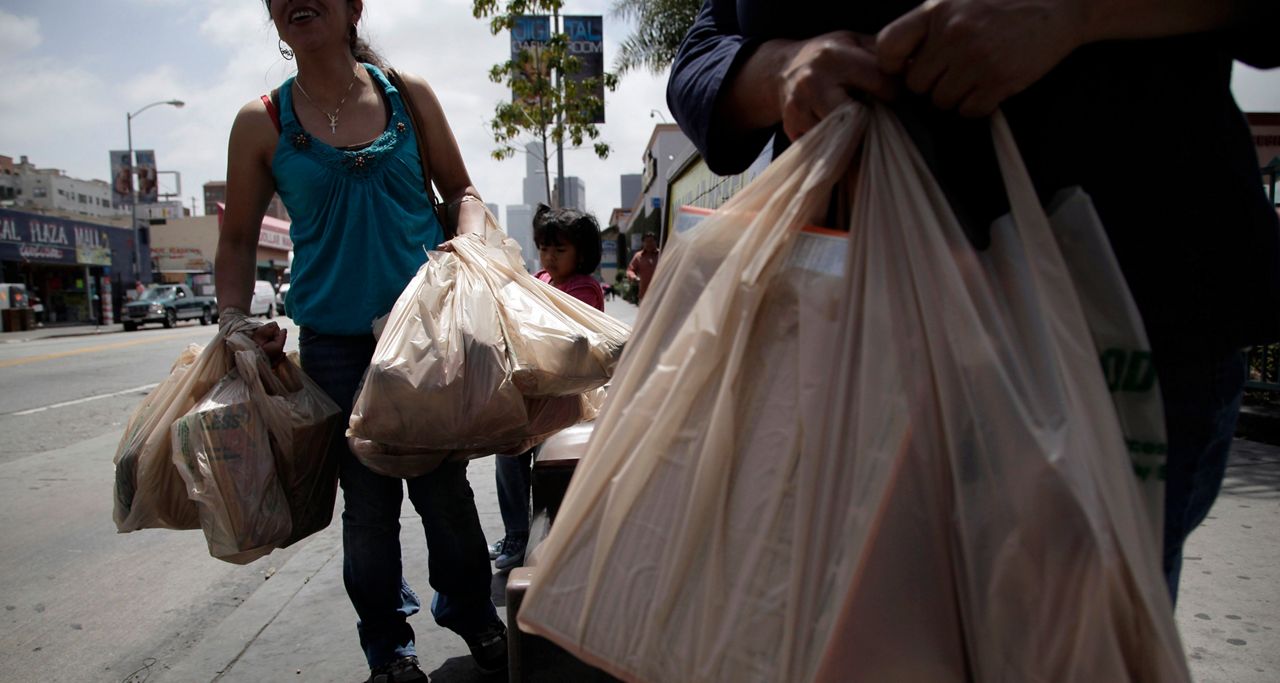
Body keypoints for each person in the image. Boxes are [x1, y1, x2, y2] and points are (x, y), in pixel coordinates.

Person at [667, 0, 1280, 603]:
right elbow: (703, 51)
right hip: (845, 337)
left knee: (1069, 644)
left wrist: (1071, 13)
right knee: (839, 634)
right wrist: (782, 69)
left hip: (1114, 312)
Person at [215, 2, 506, 681]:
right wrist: (233, 320)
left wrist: (467, 246)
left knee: (446, 497)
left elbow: (461, 189)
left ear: (353, 7)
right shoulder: (262, 122)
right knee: (367, 514)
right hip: (335, 352)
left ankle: (470, 610)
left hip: (424, 337)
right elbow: (234, 239)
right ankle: (389, 648)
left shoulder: (409, 96)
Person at [491, 204, 605, 571]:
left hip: (560, 402)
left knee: (546, 471)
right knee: (508, 463)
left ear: (582, 253)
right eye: (544, 248)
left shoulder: (584, 288)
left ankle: (543, 542)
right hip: (527, 397)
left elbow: (567, 337)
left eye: (560, 250)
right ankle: (516, 534)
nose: (549, 258)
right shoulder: (540, 279)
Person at [625, 232, 660, 303]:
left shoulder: (662, 254)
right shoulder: (638, 256)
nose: (649, 244)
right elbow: (630, 270)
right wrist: (634, 277)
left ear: (656, 242)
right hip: (644, 295)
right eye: (646, 242)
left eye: (651, 241)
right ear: (643, 243)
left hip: (660, 295)